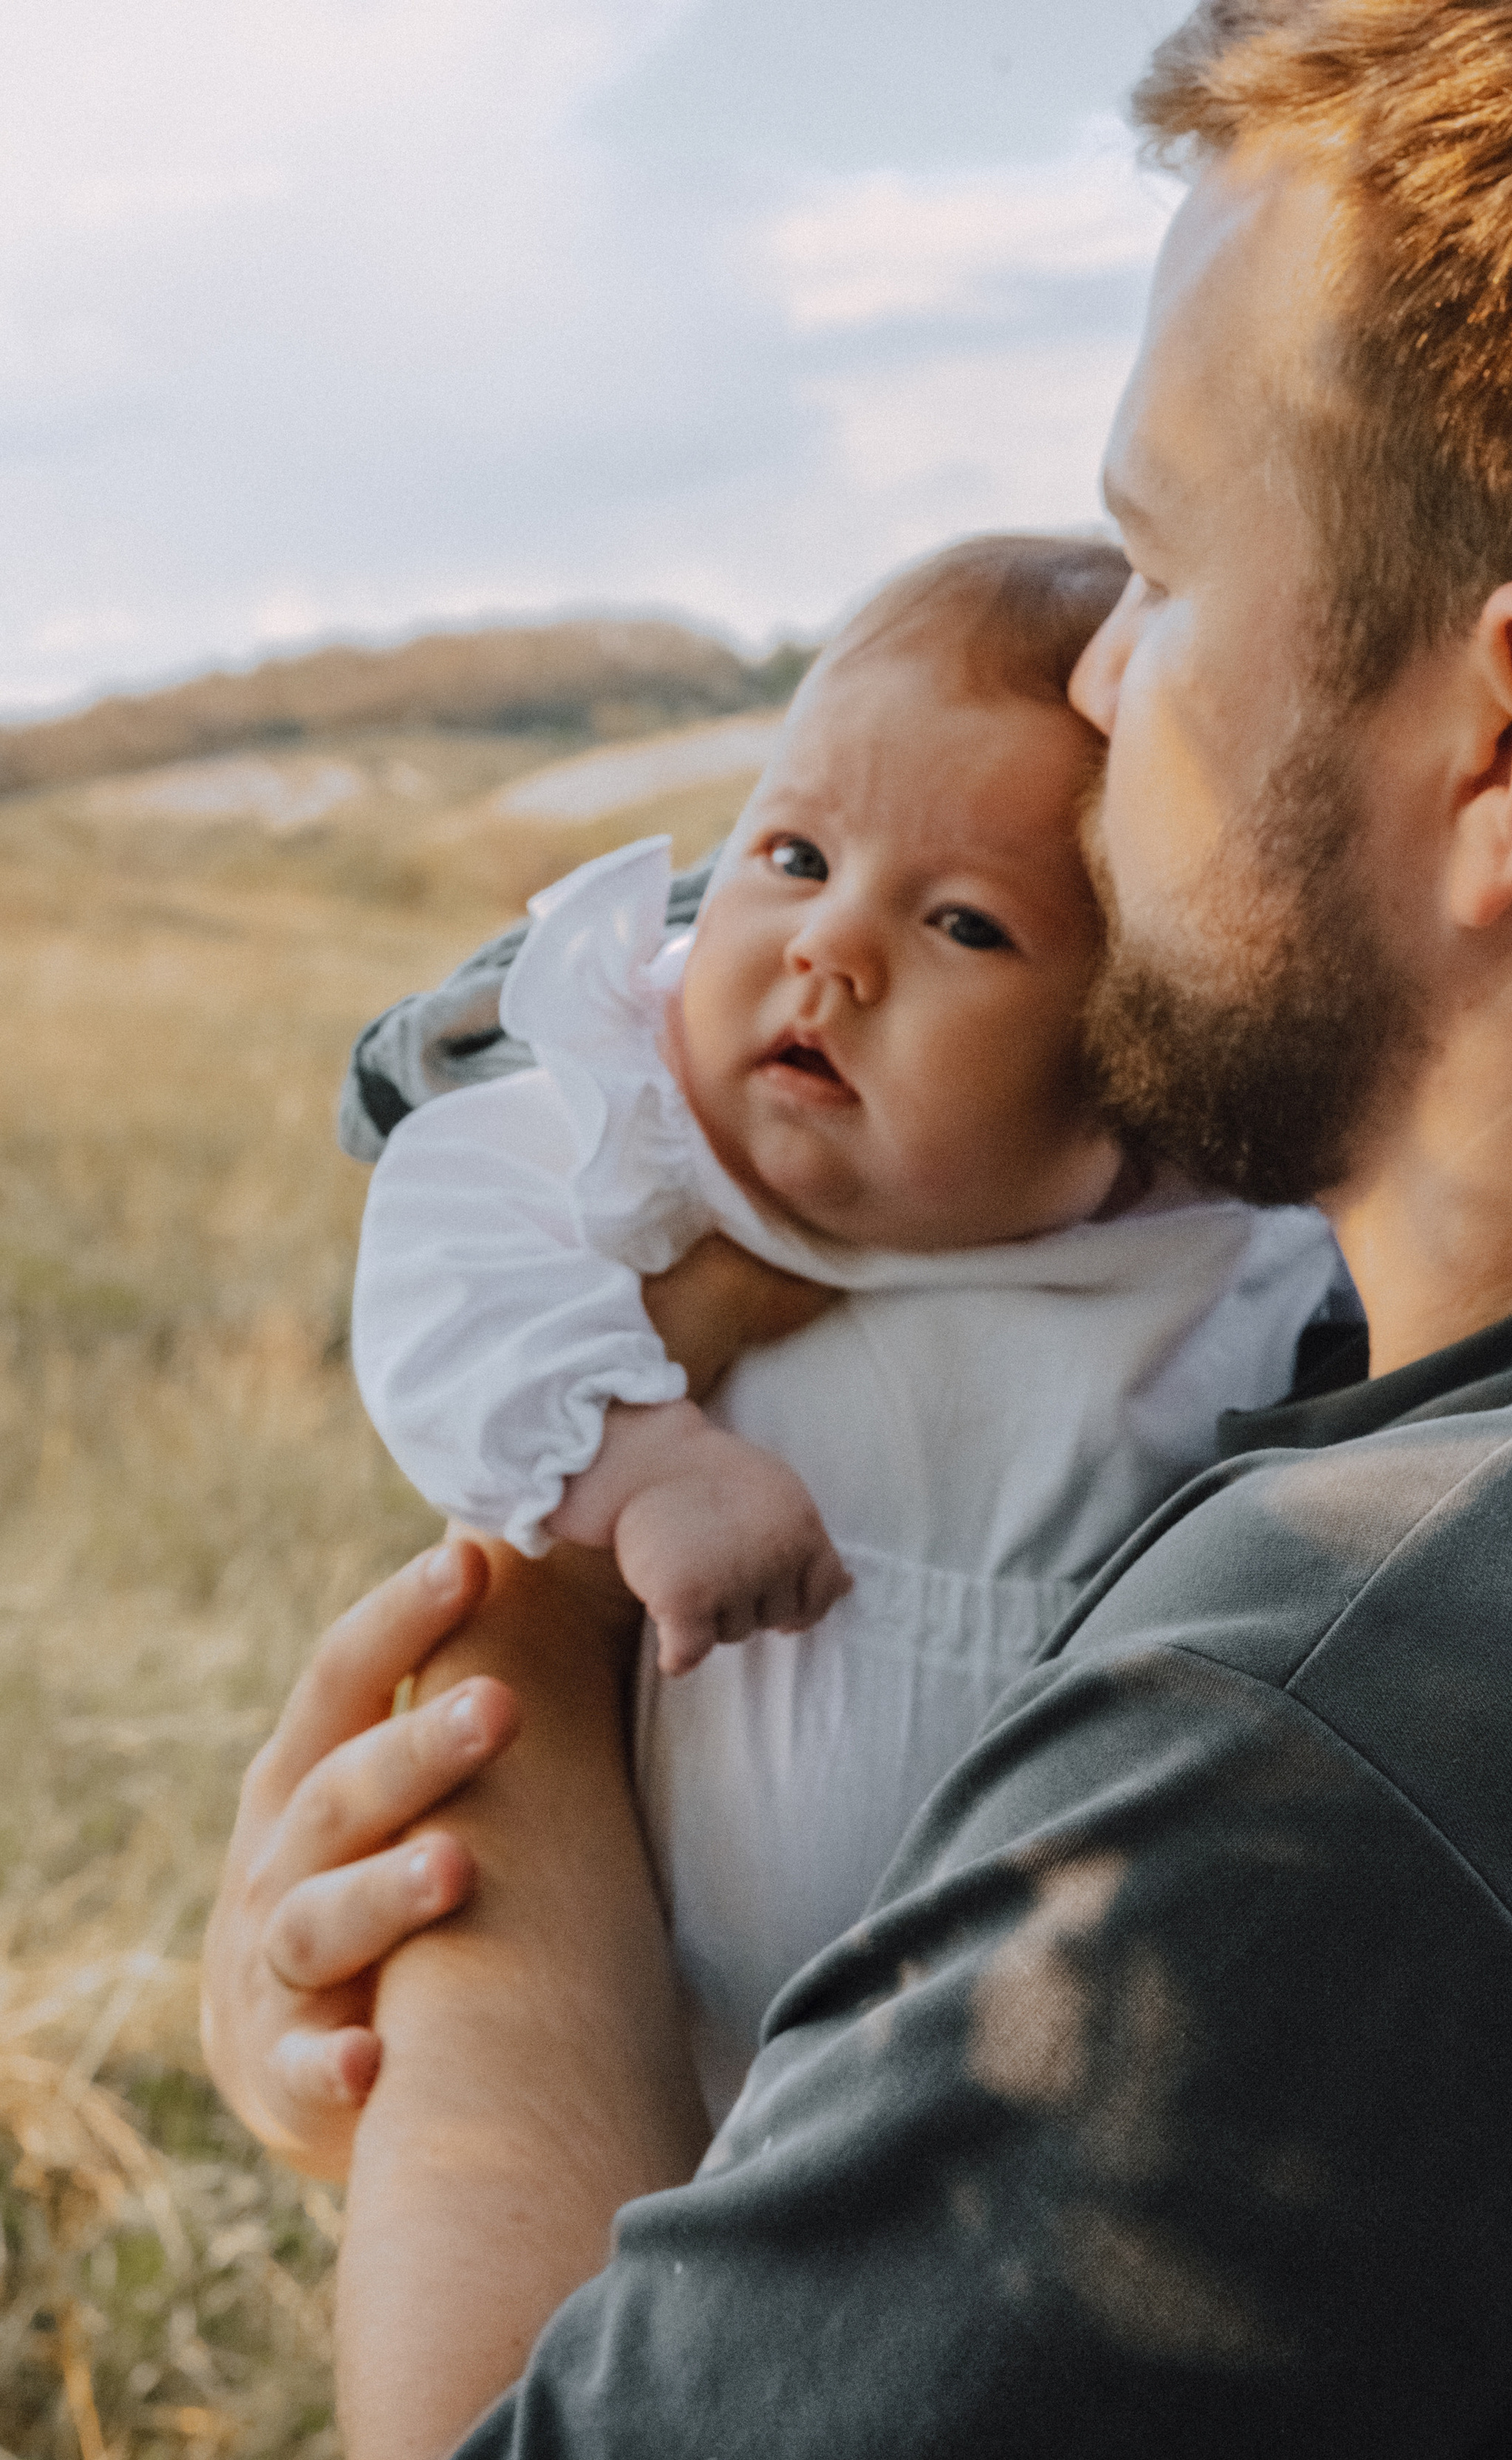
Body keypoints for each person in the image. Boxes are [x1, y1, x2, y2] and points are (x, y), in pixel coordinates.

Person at [203, 2, 1512, 2460]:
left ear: (1502, 737)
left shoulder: (1368, 1744)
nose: (1091, 693)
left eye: (1158, 568)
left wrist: (511, 1718)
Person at [348, 530, 1338, 2112]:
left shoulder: (1230, 1263)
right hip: (653, 2039)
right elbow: (442, 1267)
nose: (829, 946)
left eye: (963, 925)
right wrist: (645, 1462)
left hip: (1023, 2087)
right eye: (792, 858)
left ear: (1133, 1059)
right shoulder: (647, 1146)